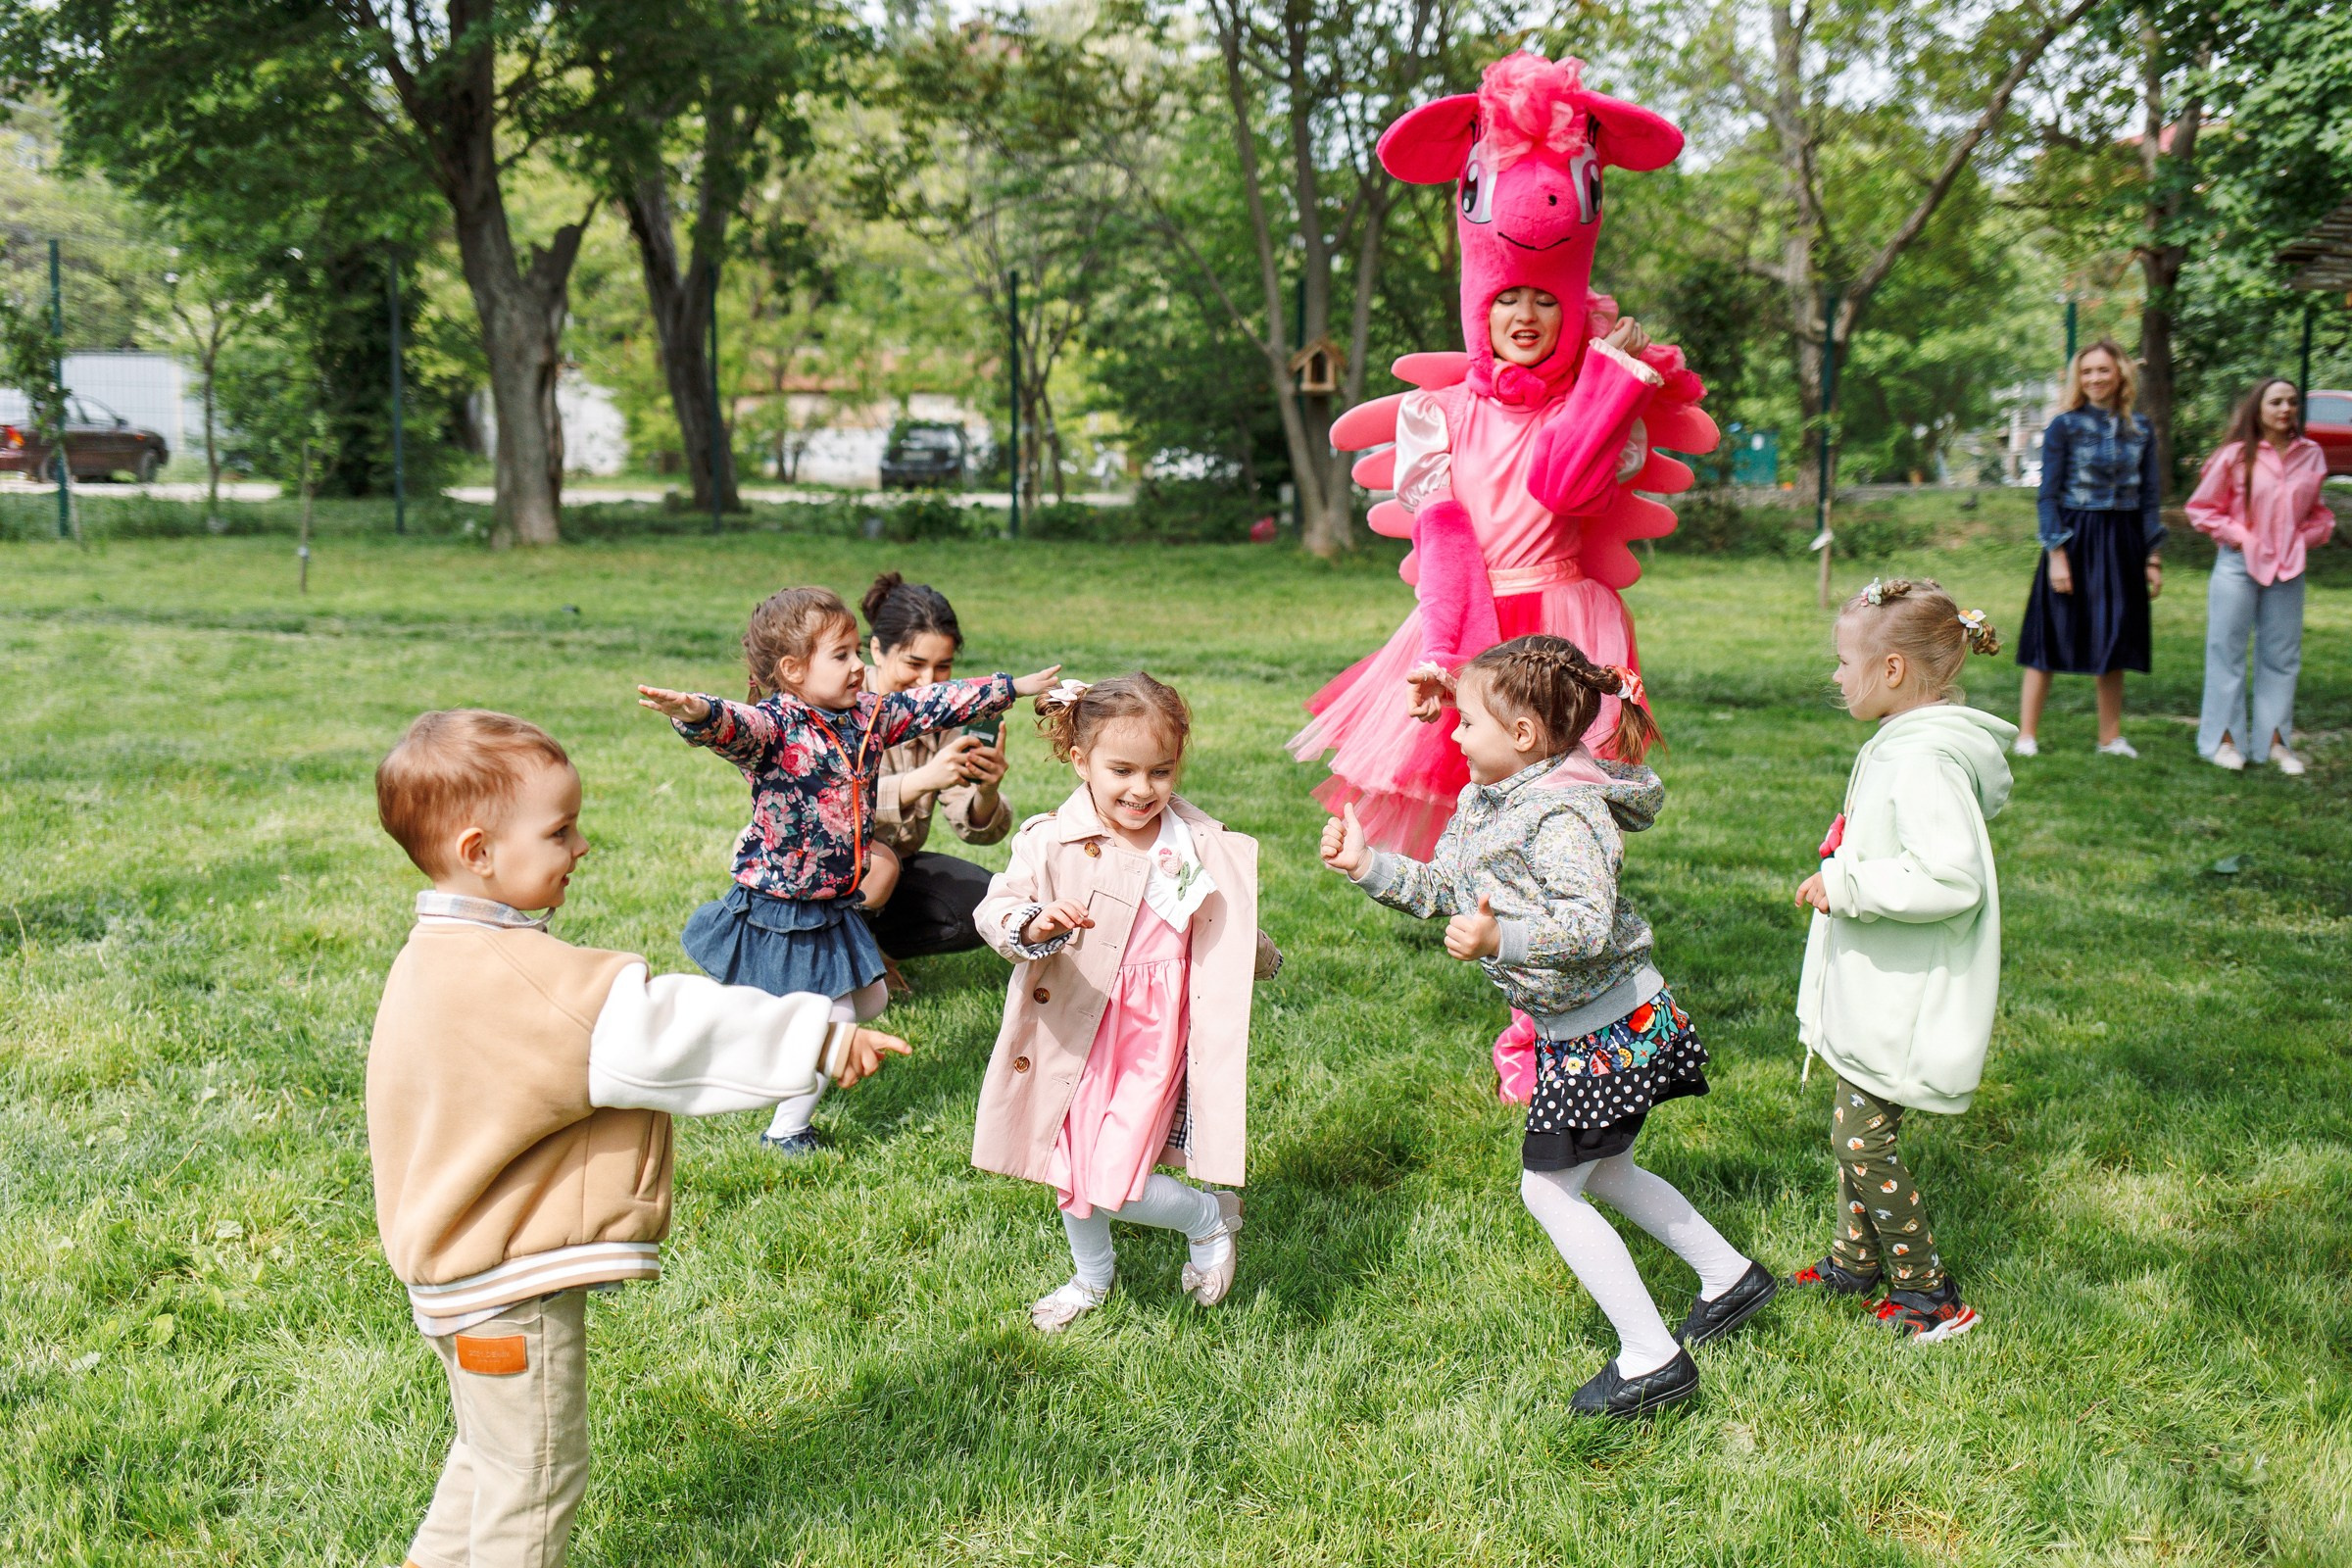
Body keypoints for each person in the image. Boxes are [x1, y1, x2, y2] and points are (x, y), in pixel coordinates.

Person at [366, 710, 909, 1568]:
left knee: (489, 1455)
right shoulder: (525, 982)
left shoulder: (432, 956)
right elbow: (664, 1026)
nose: (580, 846)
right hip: (509, 1287)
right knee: (537, 1477)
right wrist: (820, 1036)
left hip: (454, 1279)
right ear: (479, 852)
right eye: (559, 830)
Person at [1323, 636, 1775, 1419]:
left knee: (1549, 1191)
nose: (1454, 735)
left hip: (1614, 1027)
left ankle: (1651, 1357)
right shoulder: (1484, 799)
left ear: (1524, 735)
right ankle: (1730, 1277)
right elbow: (1442, 889)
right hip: (1585, 1027)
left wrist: (1504, 940)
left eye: (1465, 723)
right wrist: (1371, 867)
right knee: (1604, 1171)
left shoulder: (1566, 811)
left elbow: (1588, 925)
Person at [1295, 50, 1717, 861]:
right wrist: (1449, 655)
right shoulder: (1438, 413)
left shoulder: (1597, 400)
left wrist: (1611, 381)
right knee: (1476, 786)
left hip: (1565, 618)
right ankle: (1493, 917)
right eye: (1507, 299)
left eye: (1545, 300)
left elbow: (1566, 489)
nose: (1525, 316)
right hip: (1473, 616)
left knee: (1561, 798)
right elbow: (1445, 536)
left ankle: (1566, 919)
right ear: (1478, 306)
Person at [635, 586, 1062, 1155]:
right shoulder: (775, 727)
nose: (858, 666)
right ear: (791, 670)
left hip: (832, 900)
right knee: (831, 1020)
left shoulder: (868, 716)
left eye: (857, 651)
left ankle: (758, 1031)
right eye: (841, 656)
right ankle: (786, 1128)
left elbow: (937, 703)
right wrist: (696, 712)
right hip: (785, 904)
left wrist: (1012, 687)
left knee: (870, 1001)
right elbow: (732, 725)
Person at [969, 673, 1281, 1334]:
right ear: (1081, 762)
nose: (1142, 789)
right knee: (1067, 1166)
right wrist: (1034, 922)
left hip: (1150, 1030)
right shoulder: (1049, 839)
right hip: (1074, 1026)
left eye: (1160, 771)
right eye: (1122, 770)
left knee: (1117, 1177)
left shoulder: (1190, 843)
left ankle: (1207, 1218)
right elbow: (995, 909)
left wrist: (1262, 958)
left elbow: (1221, 921)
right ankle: (1092, 1279)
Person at [1792, 579, 2008, 1343]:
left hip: (1902, 993)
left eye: (1846, 662)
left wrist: (1847, 880)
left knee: (1860, 1137)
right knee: (1853, 1125)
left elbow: (1951, 879)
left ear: (1891, 672)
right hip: (1876, 981)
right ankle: (1856, 1261)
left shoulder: (1923, 763)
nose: (1836, 676)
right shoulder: (1902, 745)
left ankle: (1929, 1293)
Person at [2015, 340, 2164, 758]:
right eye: (2086, 372)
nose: (2095, 379)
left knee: (2115, 636)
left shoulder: (2142, 429)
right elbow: (2047, 496)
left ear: (2120, 374)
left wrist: (2152, 557)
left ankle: (2109, 738)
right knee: (2050, 634)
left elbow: (2150, 498)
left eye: (2103, 370)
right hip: (2074, 534)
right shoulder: (2064, 426)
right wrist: (2056, 553)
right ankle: (2026, 735)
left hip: (2123, 540)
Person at [859, 571, 1015, 966]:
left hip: (894, 864)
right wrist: (921, 780)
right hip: (825, 861)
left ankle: (873, 946)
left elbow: (976, 829)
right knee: (877, 863)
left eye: (943, 667)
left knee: (981, 904)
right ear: (878, 650)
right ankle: (847, 957)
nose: (928, 681)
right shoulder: (843, 698)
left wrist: (986, 789)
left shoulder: (951, 711)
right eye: (914, 663)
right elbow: (826, 800)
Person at [2187, 377, 2336, 774]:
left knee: (2282, 657)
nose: (2285, 409)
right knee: (2226, 653)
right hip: (2238, 566)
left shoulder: (2311, 455)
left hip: (2289, 568)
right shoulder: (2236, 455)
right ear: (2258, 409)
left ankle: (2274, 743)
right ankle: (2224, 741)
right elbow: (2202, 508)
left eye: (2291, 402)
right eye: (2276, 402)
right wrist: (2240, 537)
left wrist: (2305, 538)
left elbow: (2320, 514)